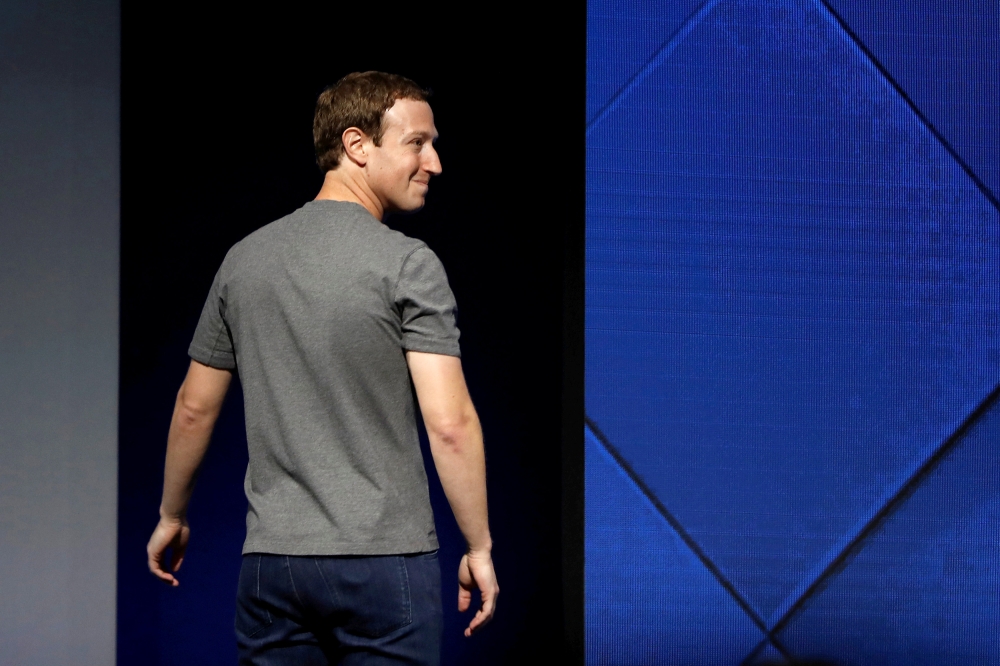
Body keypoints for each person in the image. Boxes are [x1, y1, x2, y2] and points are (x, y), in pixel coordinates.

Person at [145, 71, 498, 665]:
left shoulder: (244, 260)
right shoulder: (407, 263)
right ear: (358, 145)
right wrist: (480, 545)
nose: (434, 163)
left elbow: (193, 407)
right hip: (386, 567)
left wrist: (170, 515)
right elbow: (451, 424)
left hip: (271, 569)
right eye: (417, 143)